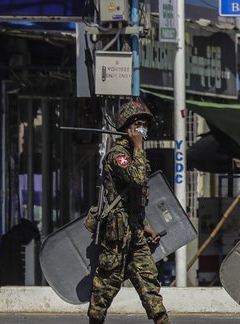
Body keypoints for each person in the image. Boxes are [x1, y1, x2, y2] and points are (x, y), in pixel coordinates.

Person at [88, 101, 169, 324]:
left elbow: (136, 199)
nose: (143, 128)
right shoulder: (119, 156)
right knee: (107, 283)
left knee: (148, 280)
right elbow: (137, 178)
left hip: (134, 230)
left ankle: (161, 319)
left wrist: (144, 225)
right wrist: (138, 146)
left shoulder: (135, 154)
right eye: (138, 124)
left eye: (145, 124)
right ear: (127, 127)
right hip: (117, 231)